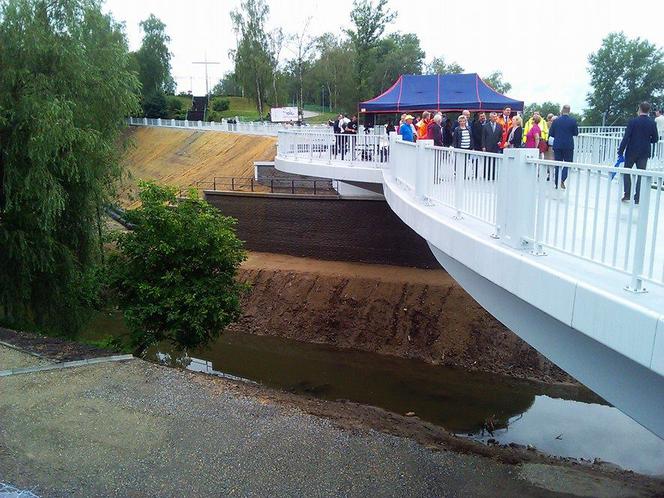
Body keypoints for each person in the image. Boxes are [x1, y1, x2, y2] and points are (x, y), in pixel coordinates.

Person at [617, 102, 659, 204]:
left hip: (631, 151)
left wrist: (620, 150)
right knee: (641, 174)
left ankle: (627, 194)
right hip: (644, 152)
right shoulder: (652, 123)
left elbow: (626, 137)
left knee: (627, 172)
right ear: (648, 110)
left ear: (639, 109)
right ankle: (637, 197)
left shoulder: (632, 121)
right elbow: (655, 139)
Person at [548, 105, 578, 189]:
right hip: (568, 145)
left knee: (558, 163)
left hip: (557, 144)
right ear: (569, 111)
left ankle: (557, 183)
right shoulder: (573, 121)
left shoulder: (556, 121)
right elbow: (576, 133)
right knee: (568, 163)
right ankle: (562, 179)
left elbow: (551, 134)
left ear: (562, 110)